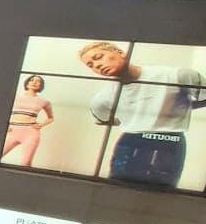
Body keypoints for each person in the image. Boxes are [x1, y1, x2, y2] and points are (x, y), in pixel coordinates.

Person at [79, 40, 206, 186]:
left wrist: (181, 107)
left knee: (162, 196)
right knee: (116, 192)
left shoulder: (177, 75)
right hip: (130, 143)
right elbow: (104, 119)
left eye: (98, 57)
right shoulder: (101, 98)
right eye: (90, 65)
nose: (97, 65)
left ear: (121, 53)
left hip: (169, 142)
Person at [2, 75, 54, 166]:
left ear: (41, 85)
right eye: (32, 80)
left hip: (30, 133)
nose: (34, 82)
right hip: (13, 131)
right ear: (27, 82)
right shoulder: (14, 97)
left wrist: (41, 125)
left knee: (26, 163)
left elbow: (51, 118)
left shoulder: (44, 101)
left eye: (38, 81)